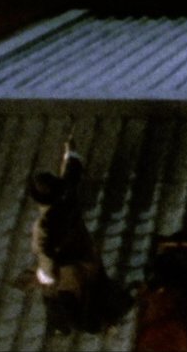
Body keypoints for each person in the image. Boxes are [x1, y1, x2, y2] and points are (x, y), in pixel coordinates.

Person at [27, 140, 133, 335]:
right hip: (88, 254)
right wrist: (70, 153)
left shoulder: (44, 226)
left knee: (59, 301)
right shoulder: (67, 196)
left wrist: (47, 275)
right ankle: (116, 309)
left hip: (71, 270)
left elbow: (44, 252)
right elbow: (72, 173)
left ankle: (69, 327)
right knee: (101, 284)